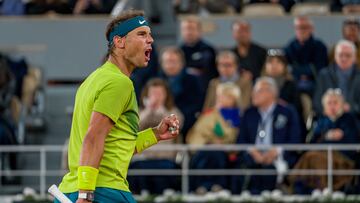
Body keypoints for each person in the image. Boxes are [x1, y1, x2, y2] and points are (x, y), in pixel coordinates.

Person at [56, 10, 180, 203]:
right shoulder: (118, 83)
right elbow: (93, 137)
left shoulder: (93, 80)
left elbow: (114, 145)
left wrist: (155, 134)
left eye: (150, 34)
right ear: (119, 42)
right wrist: (86, 195)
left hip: (74, 189)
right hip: (102, 191)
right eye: (142, 34)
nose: (151, 40)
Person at [231, 77, 302, 194]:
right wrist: (252, 151)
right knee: (242, 169)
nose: (253, 94)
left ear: (271, 93)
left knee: (268, 171)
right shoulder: (249, 113)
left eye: (258, 91)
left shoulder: (288, 112)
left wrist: (277, 151)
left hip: (277, 158)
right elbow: (241, 140)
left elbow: (295, 139)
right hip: (252, 158)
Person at [290, 89, 360, 194]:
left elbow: (352, 143)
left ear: (343, 105)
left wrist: (326, 141)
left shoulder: (349, 120)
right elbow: (312, 143)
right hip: (319, 156)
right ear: (324, 107)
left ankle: (317, 188)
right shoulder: (320, 121)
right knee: (312, 156)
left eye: (335, 103)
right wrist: (328, 136)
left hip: (343, 159)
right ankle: (310, 188)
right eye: (329, 103)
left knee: (314, 157)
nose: (332, 106)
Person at [128, 78, 184, 194]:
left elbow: (177, 126)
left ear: (166, 95)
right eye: (153, 93)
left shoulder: (173, 111)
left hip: (164, 159)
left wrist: (161, 111)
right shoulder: (138, 112)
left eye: (159, 94)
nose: (156, 97)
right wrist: (149, 111)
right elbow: (132, 127)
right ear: (146, 95)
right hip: (142, 158)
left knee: (166, 172)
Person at [187, 82, 241, 194]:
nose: (222, 99)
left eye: (227, 96)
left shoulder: (240, 117)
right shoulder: (209, 114)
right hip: (205, 148)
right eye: (220, 95)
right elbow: (197, 133)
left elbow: (237, 137)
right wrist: (210, 142)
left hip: (226, 151)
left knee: (218, 154)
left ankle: (218, 186)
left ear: (234, 98)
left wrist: (222, 144)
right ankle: (202, 186)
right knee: (208, 154)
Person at [158, 46, 203, 140]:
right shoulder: (155, 81)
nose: (170, 65)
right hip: (160, 125)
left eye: (173, 61)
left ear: (182, 63)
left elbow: (197, 105)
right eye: (167, 62)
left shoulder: (193, 80)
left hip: (187, 126)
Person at [313, 40, 360, 118]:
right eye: (340, 55)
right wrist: (329, 110)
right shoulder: (324, 74)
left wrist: (350, 108)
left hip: (355, 119)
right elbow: (317, 102)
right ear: (335, 56)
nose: (344, 59)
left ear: (354, 57)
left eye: (348, 55)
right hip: (328, 119)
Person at [284, 16, 328, 96]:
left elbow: (319, 69)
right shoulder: (290, 46)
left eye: (304, 27)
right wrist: (306, 69)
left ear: (312, 29)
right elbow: (286, 69)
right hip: (295, 83)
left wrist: (297, 70)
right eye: (298, 27)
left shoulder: (319, 46)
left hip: (315, 83)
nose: (301, 30)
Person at [179, 16, 217, 91]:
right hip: (184, 91)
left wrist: (185, 69)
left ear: (199, 31)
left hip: (204, 90)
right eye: (185, 29)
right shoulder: (179, 51)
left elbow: (204, 65)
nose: (189, 32)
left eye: (192, 29)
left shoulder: (208, 49)